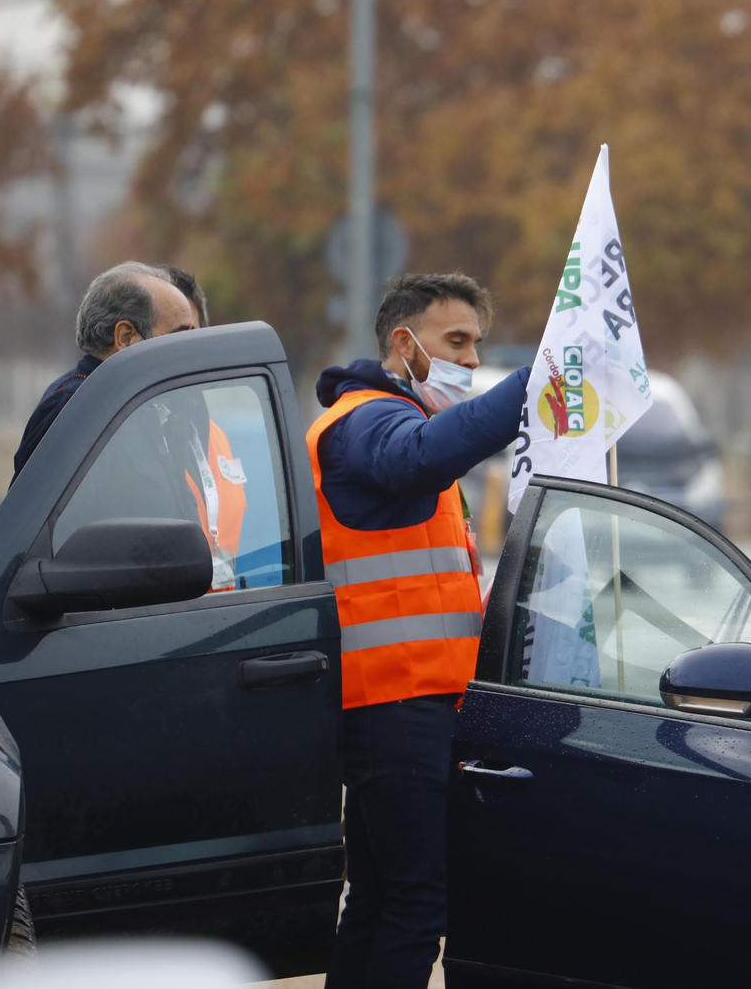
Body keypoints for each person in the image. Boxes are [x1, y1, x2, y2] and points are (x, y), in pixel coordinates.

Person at [309, 272, 530, 989]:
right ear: (404, 345)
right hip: (397, 707)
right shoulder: (366, 420)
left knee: (379, 899)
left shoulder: (390, 418)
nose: (471, 362)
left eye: (478, 345)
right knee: (415, 902)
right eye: (455, 342)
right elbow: (420, 454)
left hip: (406, 707)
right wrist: (539, 383)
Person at [12, 262, 197, 480]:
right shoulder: (76, 410)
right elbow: (42, 510)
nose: (190, 348)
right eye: (179, 336)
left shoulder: (130, 402)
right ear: (126, 337)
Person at [160, 266, 246, 590]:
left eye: (192, 335)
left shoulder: (217, 436)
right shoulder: (136, 435)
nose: (184, 352)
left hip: (220, 620)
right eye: (172, 338)